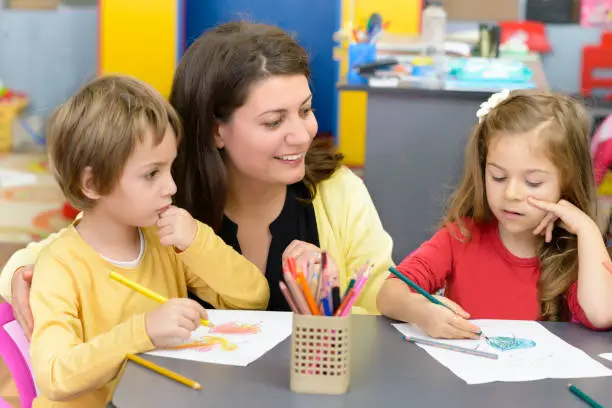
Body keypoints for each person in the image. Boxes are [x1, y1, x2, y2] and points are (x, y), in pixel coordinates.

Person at [0, 22, 393, 337]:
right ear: (215, 130)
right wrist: (20, 272)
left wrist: (336, 291)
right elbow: (72, 246)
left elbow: (377, 291)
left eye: (305, 110)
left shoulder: (336, 191)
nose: (302, 134)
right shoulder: (164, 196)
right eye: (274, 121)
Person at [28, 75, 269, 407]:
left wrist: (197, 243)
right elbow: (54, 376)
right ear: (93, 183)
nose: (171, 186)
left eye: (170, 168)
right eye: (152, 173)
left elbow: (253, 298)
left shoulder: (167, 240)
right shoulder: (60, 266)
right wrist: (143, 331)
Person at [377, 89, 612, 339]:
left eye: (533, 182)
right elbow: (388, 294)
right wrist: (422, 312)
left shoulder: (575, 254)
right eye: (498, 177)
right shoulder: (460, 236)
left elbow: (602, 314)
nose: (511, 193)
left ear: (566, 183)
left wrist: (587, 229)